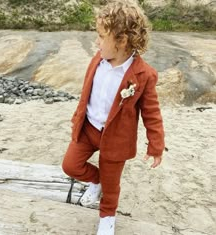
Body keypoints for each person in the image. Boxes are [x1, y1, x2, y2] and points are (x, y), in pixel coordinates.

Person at [62, 1, 165, 234]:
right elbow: (86, 94)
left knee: (112, 186)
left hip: (116, 139)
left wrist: (156, 145)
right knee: (70, 165)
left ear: (121, 41)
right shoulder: (96, 61)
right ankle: (96, 181)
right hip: (88, 128)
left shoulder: (144, 75)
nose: (96, 41)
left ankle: (107, 217)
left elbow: (152, 113)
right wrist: (77, 117)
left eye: (101, 36)